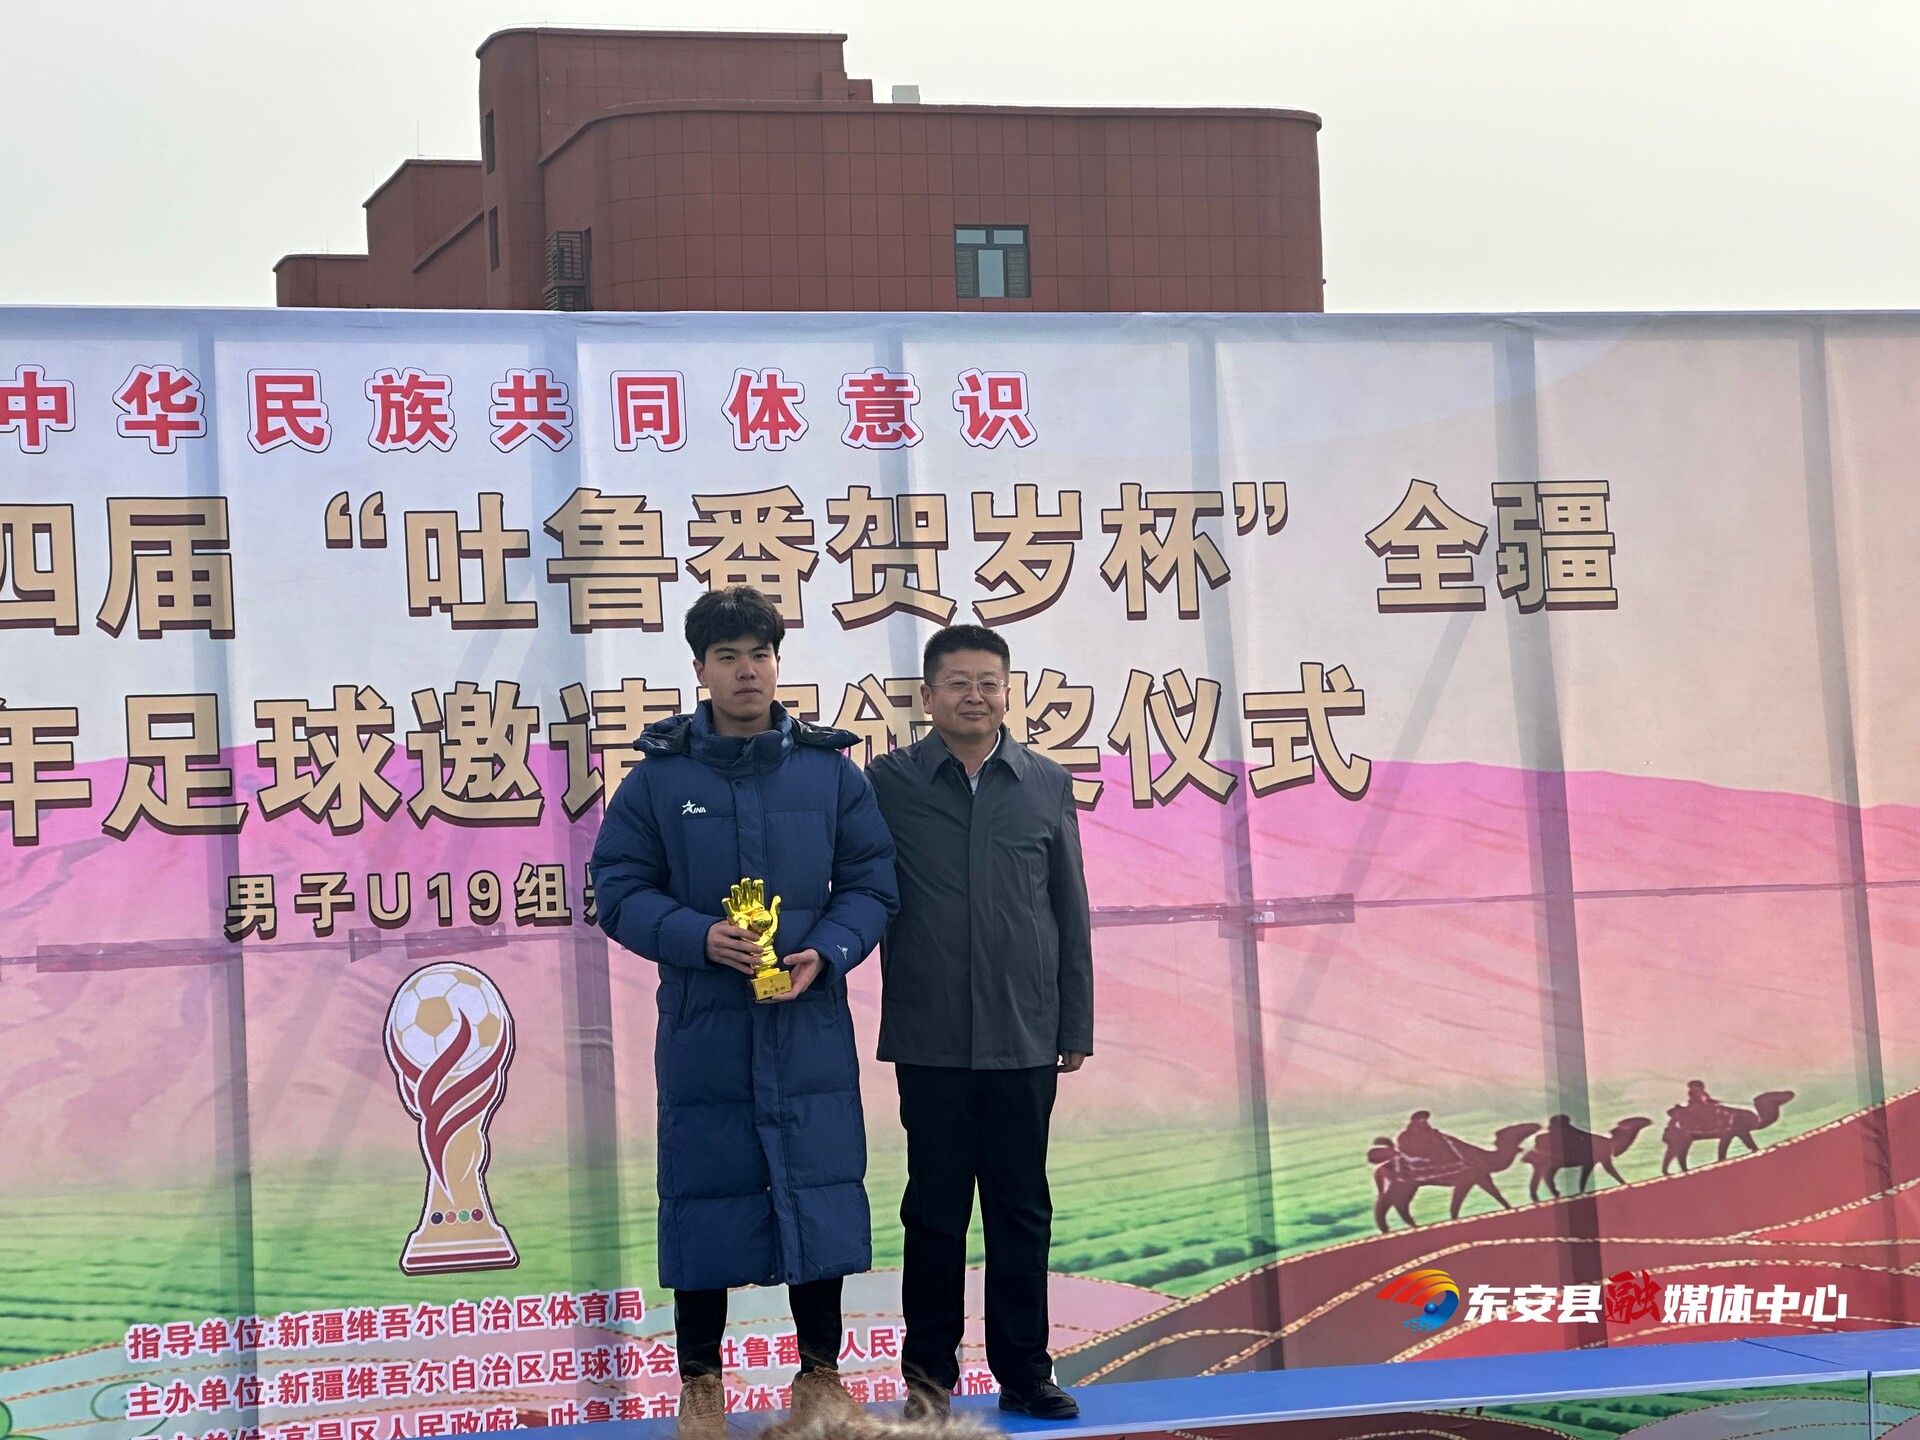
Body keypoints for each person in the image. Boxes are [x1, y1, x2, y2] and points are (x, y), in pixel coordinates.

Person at [590, 586, 899, 1428]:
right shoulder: (659, 782)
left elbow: (872, 885)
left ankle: (821, 1374)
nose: (746, 671)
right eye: (727, 657)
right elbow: (617, 890)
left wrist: (828, 951)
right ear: (700, 671)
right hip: (706, 1027)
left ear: (777, 663)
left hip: (805, 1018)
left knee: (817, 1186)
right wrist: (698, 937)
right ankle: (700, 1383)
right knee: (703, 1196)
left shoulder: (829, 775)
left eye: (759, 654)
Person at [866, 623, 1093, 1422]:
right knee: (932, 1214)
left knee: (1020, 1210)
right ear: (928, 697)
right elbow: (862, 887)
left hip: (1025, 1033)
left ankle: (1026, 1373)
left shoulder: (1044, 782)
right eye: (958, 682)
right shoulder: (887, 783)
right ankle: (928, 1384)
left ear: (1007, 692)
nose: (975, 695)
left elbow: (1069, 908)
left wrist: (1074, 1022)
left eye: (989, 682)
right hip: (930, 1036)